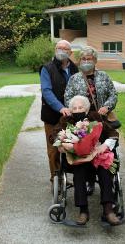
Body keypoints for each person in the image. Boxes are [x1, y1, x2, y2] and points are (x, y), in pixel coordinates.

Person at [54, 95, 121, 226]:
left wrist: (105, 145)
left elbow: (113, 133)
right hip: (79, 160)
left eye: (81, 107)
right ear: (70, 110)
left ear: (87, 108)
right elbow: (54, 134)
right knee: (79, 171)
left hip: (97, 157)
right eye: (74, 108)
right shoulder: (65, 120)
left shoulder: (96, 117)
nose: (78, 110)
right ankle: (83, 211)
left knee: (105, 170)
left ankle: (108, 210)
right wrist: (62, 143)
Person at [64, 46, 118, 195]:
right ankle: (88, 180)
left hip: (102, 118)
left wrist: (107, 107)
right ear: (79, 61)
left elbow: (113, 94)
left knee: (101, 146)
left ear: (95, 60)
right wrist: (75, 110)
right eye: (83, 59)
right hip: (81, 120)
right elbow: (68, 98)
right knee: (84, 149)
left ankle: (105, 174)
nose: (86, 61)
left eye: (89, 59)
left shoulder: (104, 76)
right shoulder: (74, 79)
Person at [40, 40, 78, 184]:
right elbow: (46, 91)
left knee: (72, 145)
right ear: (55, 50)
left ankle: (77, 176)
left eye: (65, 48)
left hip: (72, 117)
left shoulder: (75, 69)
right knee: (54, 149)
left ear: (70, 53)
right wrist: (61, 108)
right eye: (58, 48)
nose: (61, 51)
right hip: (52, 116)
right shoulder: (47, 68)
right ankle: (56, 180)